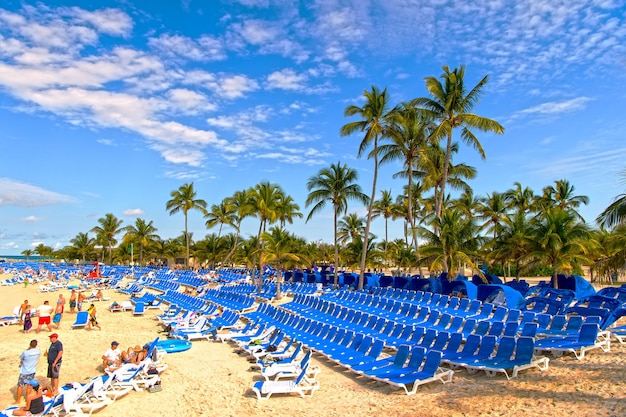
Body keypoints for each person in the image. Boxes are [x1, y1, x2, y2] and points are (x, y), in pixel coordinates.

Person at [14, 340, 41, 404]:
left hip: (25, 371)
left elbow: (21, 358)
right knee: (29, 385)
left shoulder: (25, 352)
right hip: (32, 370)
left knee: (20, 385)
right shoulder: (38, 351)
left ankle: (18, 400)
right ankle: (27, 399)